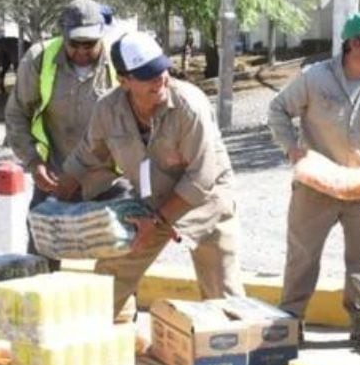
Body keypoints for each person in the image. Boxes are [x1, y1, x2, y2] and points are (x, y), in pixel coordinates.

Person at [60, 31, 244, 322]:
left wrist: (158, 221)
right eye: (148, 75)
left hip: (205, 200)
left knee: (223, 293)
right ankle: (90, 337)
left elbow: (202, 175)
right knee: (111, 274)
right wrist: (58, 194)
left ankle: (237, 356)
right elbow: (88, 154)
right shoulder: (108, 109)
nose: (160, 80)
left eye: (162, 70)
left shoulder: (189, 106)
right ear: (124, 80)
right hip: (152, 203)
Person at [267, 11, 360, 354]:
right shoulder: (315, 78)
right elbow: (278, 110)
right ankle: (291, 322)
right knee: (303, 257)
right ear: (354, 42)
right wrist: (293, 151)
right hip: (315, 185)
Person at [4, 0, 117, 266]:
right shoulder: (39, 59)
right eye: (73, 43)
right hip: (53, 178)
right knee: (41, 260)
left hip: (109, 180)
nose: (80, 51)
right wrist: (34, 162)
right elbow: (16, 114)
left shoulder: (119, 61)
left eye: (89, 44)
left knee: (120, 263)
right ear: (63, 35)